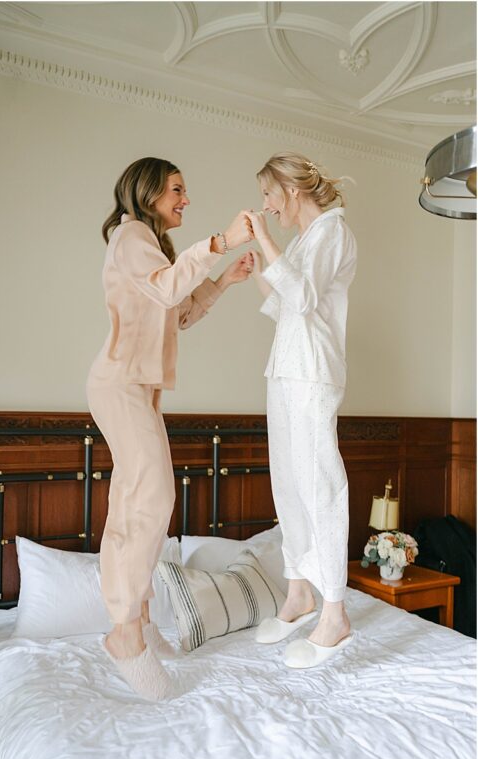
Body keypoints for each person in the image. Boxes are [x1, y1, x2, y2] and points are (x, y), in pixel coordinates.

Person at [86, 157, 253, 699]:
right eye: (177, 190)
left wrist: (224, 279)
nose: (185, 199)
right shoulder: (133, 233)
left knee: (136, 502)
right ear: (150, 192)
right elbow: (165, 291)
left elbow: (175, 311)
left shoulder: (152, 248)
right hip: (120, 385)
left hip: (135, 388)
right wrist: (221, 241)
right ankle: (125, 632)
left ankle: (136, 618)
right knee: (152, 498)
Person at [246, 152, 357, 668]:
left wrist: (267, 244)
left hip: (313, 371)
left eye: (270, 195)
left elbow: (307, 298)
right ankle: (299, 592)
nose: (266, 206)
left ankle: (334, 611)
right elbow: (280, 301)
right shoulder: (300, 240)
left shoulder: (333, 232)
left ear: (291, 190)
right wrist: (258, 262)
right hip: (284, 367)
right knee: (287, 480)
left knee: (319, 481)